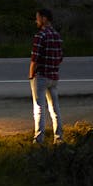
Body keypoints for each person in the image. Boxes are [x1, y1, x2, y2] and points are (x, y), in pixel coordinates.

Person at [29, 8, 63, 144]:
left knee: (39, 108)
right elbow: (60, 57)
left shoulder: (40, 36)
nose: (36, 20)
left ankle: (39, 139)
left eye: (37, 18)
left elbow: (34, 58)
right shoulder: (57, 36)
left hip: (42, 76)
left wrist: (31, 74)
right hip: (53, 76)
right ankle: (59, 138)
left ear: (44, 19)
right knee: (55, 108)